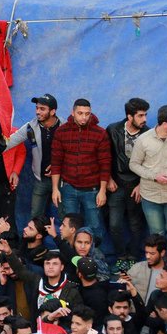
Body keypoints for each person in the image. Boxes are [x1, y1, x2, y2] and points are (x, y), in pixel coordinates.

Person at [128, 105, 167, 266]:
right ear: (165, 124)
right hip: (151, 197)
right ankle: (159, 268)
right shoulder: (144, 140)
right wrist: (154, 177)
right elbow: (134, 164)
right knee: (157, 235)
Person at [49, 98, 110, 244]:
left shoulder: (100, 133)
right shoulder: (61, 132)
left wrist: (102, 191)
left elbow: (105, 163)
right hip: (68, 187)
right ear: (73, 112)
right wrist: (55, 189)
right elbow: (56, 162)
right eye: (80, 113)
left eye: (87, 114)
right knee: (69, 227)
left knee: (94, 227)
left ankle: (93, 261)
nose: (84, 117)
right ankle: (70, 259)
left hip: (92, 189)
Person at [105, 97, 149, 260]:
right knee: (114, 224)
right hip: (116, 184)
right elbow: (105, 157)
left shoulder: (148, 134)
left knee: (135, 224)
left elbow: (151, 163)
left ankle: (134, 256)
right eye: (140, 116)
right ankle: (121, 256)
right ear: (129, 117)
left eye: (145, 115)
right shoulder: (113, 129)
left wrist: (141, 185)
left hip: (137, 185)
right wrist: (108, 178)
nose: (144, 119)